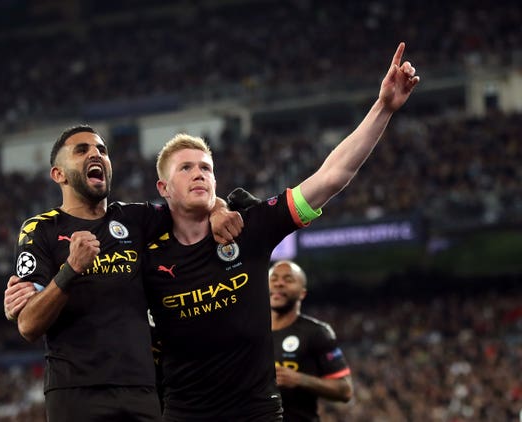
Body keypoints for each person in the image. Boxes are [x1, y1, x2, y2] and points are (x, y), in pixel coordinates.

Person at [141, 42, 419, 421]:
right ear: (163, 188)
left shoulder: (250, 228)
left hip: (257, 413)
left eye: (206, 168)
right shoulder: (145, 251)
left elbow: (331, 177)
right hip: (184, 415)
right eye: (186, 168)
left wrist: (383, 108)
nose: (199, 175)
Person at [6, 124, 243, 422]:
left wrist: (219, 209)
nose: (96, 154)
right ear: (59, 174)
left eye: (102, 150)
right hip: (75, 391)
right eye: (82, 150)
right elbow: (28, 325)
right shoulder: (40, 229)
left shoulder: (135, 217)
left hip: (142, 389)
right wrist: (71, 269)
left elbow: (192, 204)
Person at [269, 260, 352, 422]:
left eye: (288, 279)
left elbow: (345, 390)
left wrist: (300, 379)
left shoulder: (317, 332)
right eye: (273, 279)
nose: (279, 283)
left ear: (302, 293)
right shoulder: (249, 331)